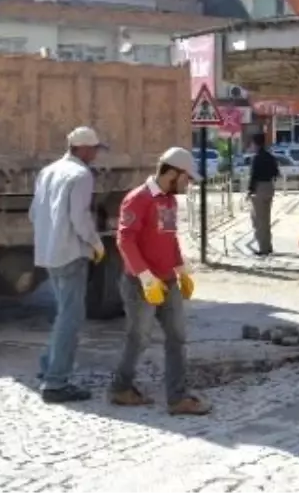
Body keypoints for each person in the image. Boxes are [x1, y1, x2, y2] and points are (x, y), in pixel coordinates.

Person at [109, 147, 211, 415]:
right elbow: (125, 240)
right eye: (186, 178)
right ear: (172, 173)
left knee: (177, 337)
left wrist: (181, 269)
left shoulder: (168, 201)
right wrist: (145, 277)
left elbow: (169, 238)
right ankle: (121, 388)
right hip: (140, 284)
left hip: (167, 281)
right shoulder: (137, 199)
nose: (188, 184)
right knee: (139, 339)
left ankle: (177, 399)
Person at [29, 126, 107, 403]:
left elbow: (33, 213)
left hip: (49, 253)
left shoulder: (47, 171)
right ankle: (56, 382)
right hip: (71, 253)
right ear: (83, 149)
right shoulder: (81, 175)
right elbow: (80, 218)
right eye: (95, 149)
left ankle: (47, 366)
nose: (96, 154)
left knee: (63, 313)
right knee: (71, 318)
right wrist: (97, 244)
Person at [247, 133, 281, 256]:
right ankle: (268, 245)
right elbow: (276, 173)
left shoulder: (256, 158)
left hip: (259, 188)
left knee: (258, 219)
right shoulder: (270, 157)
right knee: (266, 218)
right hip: (269, 187)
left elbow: (253, 176)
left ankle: (263, 248)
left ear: (255, 144)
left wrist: (250, 190)